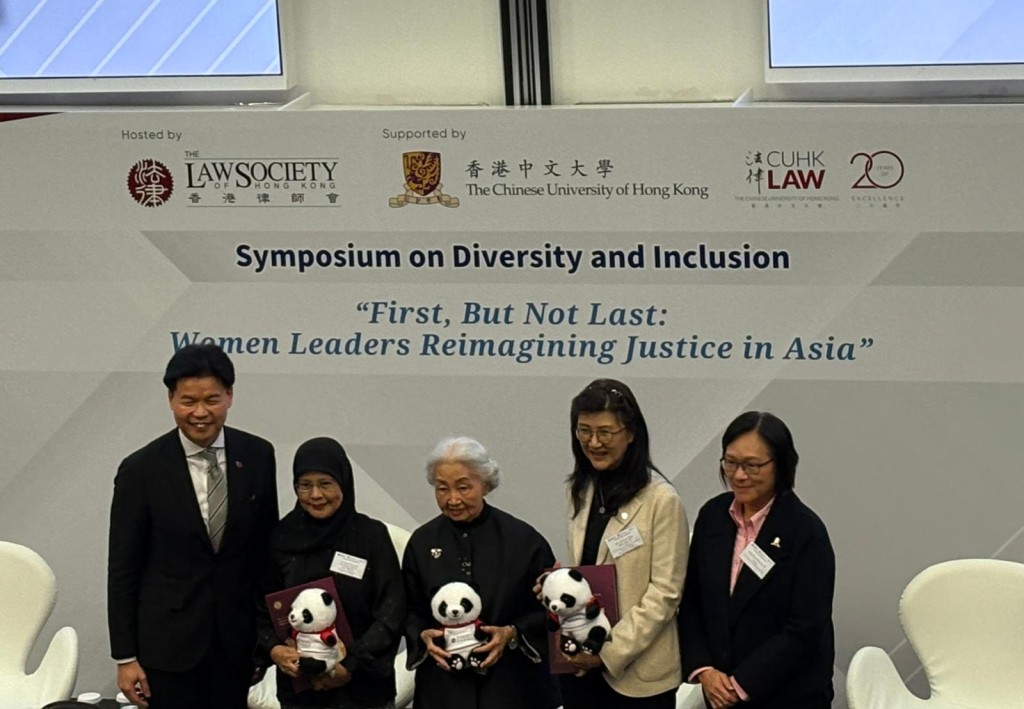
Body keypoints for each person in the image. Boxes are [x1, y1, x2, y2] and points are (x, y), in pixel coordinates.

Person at [107, 344, 279, 709]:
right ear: (171, 399)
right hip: (167, 648)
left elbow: (266, 554)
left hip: (237, 645)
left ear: (229, 396)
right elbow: (123, 568)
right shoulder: (140, 470)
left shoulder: (258, 456)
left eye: (212, 400)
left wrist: (269, 638)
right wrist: (125, 657)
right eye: (188, 401)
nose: (200, 413)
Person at [678, 411, 835, 709]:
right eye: (730, 463)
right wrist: (705, 670)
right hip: (718, 691)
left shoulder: (806, 532)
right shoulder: (713, 516)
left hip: (788, 696)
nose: (739, 475)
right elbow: (692, 602)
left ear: (781, 465)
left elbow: (805, 629)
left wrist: (740, 685)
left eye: (752, 465)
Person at [402, 436, 560, 709]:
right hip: (443, 687)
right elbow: (407, 608)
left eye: (463, 487)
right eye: (442, 488)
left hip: (511, 685)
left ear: (485, 484)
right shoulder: (422, 541)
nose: (453, 499)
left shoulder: (523, 539)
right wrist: (422, 636)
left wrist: (512, 633)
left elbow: (549, 610)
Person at [559, 378, 689, 709]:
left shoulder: (661, 499)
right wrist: (557, 584)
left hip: (639, 676)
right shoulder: (581, 489)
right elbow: (589, 568)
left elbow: (666, 595)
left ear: (630, 433)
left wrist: (608, 651)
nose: (594, 442)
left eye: (605, 432)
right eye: (584, 431)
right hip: (582, 665)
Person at [258, 437, 405, 709]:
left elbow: (391, 611)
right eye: (305, 485)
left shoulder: (371, 536)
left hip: (365, 689)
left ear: (344, 483)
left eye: (325, 483)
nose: (315, 495)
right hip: (301, 693)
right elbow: (259, 609)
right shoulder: (280, 539)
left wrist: (349, 665)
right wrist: (275, 649)